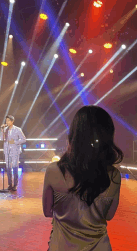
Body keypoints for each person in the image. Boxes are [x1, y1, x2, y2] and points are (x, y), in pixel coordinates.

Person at [42, 105, 123, 250]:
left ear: (74, 136)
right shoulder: (113, 175)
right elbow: (109, 215)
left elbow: (47, 211)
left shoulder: (53, 171)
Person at [0, 115, 26, 191]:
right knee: (8, 168)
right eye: (6, 121)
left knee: (15, 167)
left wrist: (14, 142)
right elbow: (2, 139)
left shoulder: (17, 129)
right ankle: (9, 184)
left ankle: (15, 185)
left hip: (15, 150)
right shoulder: (5, 129)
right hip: (7, 150)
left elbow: (24, 139)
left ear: (12, 121)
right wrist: (2, 131)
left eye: (8, 120)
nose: (7, 122)